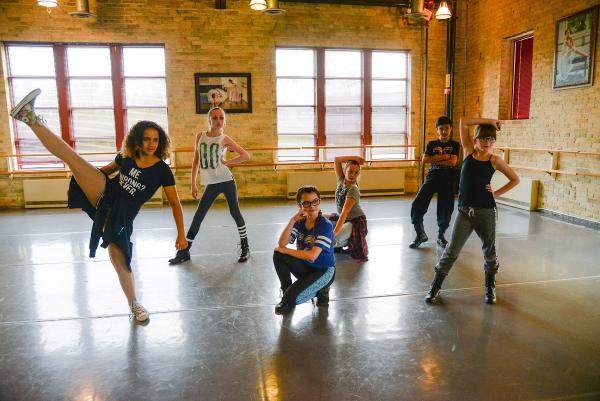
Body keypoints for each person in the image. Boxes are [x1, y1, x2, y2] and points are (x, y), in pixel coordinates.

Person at [10, 89, 187, 322]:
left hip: (123, 215)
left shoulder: (162, 170)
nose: (151, 144)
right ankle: (30, 117)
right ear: (138, 139)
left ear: (160, 141)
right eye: (147, 138)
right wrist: (84, 175)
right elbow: (104, 172)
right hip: (106, 195)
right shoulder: (126, 156)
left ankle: (134, 304)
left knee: (119, 257)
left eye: (155, 139)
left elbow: (175, 203)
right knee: (73, 159)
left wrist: (181, 235)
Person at [424, 118, 519, 305]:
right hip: (465, 212)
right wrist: (490, 120)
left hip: (486, 212)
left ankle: (490, 288)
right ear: (475, 139)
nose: (487, 142)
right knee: (451, 251)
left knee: (489, 251)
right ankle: (435, 287)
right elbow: (464, 122)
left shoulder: (495, 160)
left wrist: (495, 194)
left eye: (491, 139)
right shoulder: (467, 151)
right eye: (483, 138)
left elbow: (514, 179)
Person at [168, 106, 251, 264]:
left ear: (224, 120)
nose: (218, 121)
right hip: (211, 183)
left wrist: (227, 162)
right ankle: (185, 251)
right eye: (215, 118)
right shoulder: (200, 136)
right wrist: (193, 183)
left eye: (221, 118)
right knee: (199, 215)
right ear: (209, 120)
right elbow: (196, 161)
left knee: (235, 212)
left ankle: (245, 248)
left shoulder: (225, 139)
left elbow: (246, 155)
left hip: (226, 180)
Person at [273, 185, 336, 315]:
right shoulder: (300, 222)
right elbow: (282, 243)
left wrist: (286, 250)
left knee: (290, 300)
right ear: (300, 206)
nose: (312, 206)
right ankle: (287, 290)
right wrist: (292, 220)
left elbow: (312, 256)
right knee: (278, 254)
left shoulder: (325, 225)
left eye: (315, 201)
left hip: (323, 270)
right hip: (306, 267)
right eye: (306, 203)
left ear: (319, 202)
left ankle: (321, 288)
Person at [409, 116, 459, 249]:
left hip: (448, 178)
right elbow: (425, 160)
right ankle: (420, 235)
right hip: (433, 176)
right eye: (441, 129)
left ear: (450, 129)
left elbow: (453, 162)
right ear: (437, 130)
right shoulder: (431, 144)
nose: (444, 131)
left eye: (446, 128)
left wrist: (434, 158)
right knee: (418, 203)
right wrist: (444, 157)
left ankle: (441, 236)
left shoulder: (455, 145)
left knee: (446, 208)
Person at [325, 155, 369, 262]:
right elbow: (336, 159)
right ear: (345, 170)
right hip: (344, 218)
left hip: (356, 222)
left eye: (356, 172)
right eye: (350, 171)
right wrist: (355, 157)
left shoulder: (353, 189)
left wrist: (334, 234)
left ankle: (346, 241)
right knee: (319, 217)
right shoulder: (341, 179)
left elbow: (344, 213)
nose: (353, 175)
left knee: (334, 239)